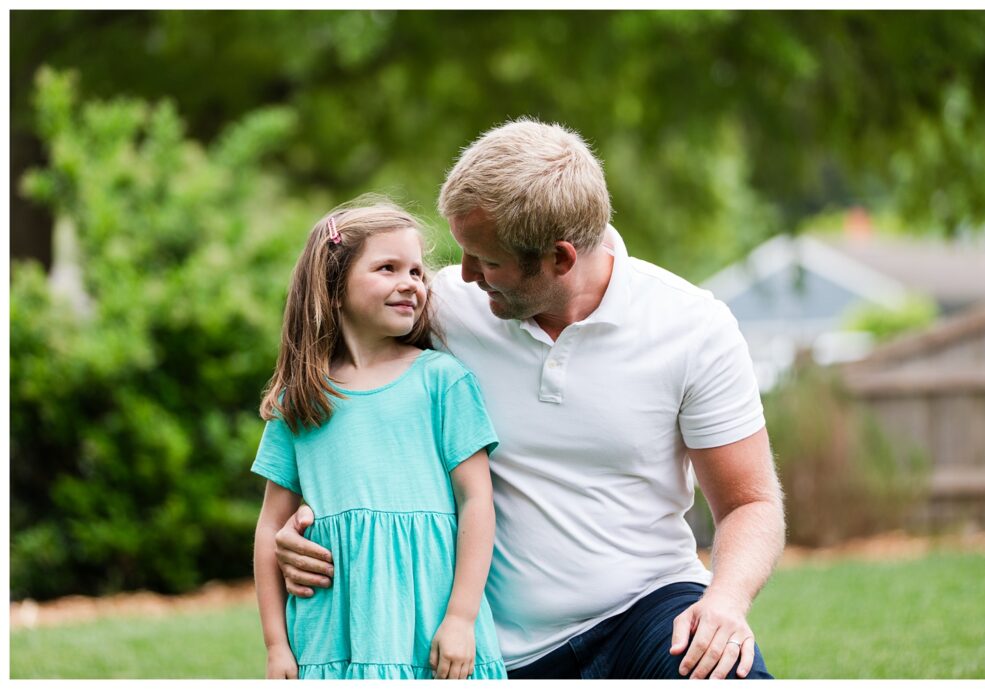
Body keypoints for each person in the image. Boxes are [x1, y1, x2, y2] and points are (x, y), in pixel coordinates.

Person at [273, 121, 786, 679]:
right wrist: (302, 522)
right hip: (490, 646)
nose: (461, 274)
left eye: (485, 260)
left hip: (649, 608)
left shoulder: (692, 328)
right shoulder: (441, 308)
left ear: (559, 259)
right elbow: (346, 385)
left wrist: (725, 601)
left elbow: (750, 502)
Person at [251, 199, 507, 680]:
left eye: (415, 271)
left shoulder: (442, 382)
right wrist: (275, 646)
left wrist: (461, 618)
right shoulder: (301, 400)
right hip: (331, 634)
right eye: (387, 268)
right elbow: (270, 527)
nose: (410, 282)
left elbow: (477, 501)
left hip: (430, 629)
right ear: (334, 286)